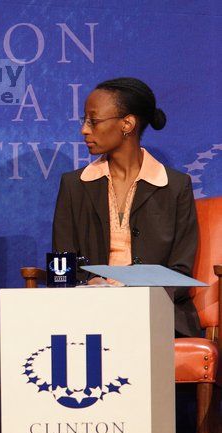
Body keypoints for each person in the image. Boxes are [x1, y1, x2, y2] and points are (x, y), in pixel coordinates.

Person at [52, 77, 199, 336]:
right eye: (84, 121)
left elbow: (180, 272)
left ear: (127, 124)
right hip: (89, 313)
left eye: (93, 121)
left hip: (158, 316)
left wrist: (135, 300)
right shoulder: (74, 185)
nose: (84, 130)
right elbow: (61, 267)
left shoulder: (175, 186)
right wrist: (89, 282)